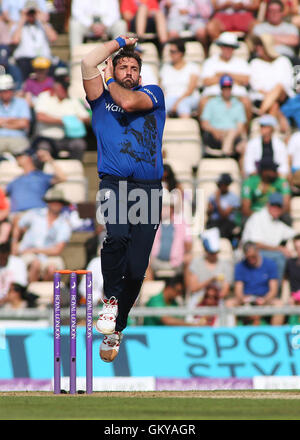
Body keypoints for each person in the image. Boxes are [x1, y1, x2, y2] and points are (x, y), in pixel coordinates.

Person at [81, 35, 166, 362]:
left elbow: (130, 103)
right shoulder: (100, 97)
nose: (128, 71)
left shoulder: (152, 93)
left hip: (148, 188)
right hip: (115, 183)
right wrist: (116, 42)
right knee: (116, 237)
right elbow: (88, 63)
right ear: (113, 66)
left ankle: (118, 326)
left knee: (136, 269)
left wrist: (111, 78)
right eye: (123, 66)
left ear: (140, 75)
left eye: (133, 68)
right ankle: (110, 301)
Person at [12, 188, 72, 282]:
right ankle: (31, 292)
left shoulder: (64, 224)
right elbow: (17, 222)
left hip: (48, 256)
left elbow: (57, 250)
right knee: (35, 264)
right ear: (48, 203)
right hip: (28, 253)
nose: (56, 204)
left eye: (59, 202)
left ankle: (44, 293)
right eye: (53, 201)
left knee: (52, 269)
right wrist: (14, 243)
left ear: (62, 204)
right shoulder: (35, 214)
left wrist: (34, 250)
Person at [226, 241, 284, 325]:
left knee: (279, 304)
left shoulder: (270, 264)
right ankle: (232, 334)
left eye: (253, 256)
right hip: (246, 299)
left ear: (257, 251)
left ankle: (276, 334)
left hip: (265, 299)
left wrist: (264, 300)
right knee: (229, 304)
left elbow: (273, 290)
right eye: (248, 257)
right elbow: (238, 291)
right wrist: (244, 300)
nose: (251, 259)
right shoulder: (240, 266)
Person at [241, 192, 296, 280]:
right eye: (274, 205)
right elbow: (256, 244)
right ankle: (277, 291)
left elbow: (294, 234)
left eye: (279, 206)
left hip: (268, 253)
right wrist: (280, 249)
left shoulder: (277, 223)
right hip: (251, 253)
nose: (276, 208)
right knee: (280, 258)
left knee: (291, 258)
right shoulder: (257, 217)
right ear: (268, 205)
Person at [33, 77, 90, 160]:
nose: (64, 90)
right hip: (46, 138)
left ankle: (75, 168)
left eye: (66, 88)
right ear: (56, 87)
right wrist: (63, 121)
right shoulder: (44, 96)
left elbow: (87, 118)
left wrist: (74, 120)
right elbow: (40, 116)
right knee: (43, 148)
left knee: (79, 145)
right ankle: (42, 172)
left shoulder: (73, 100)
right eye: (62, 88)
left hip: (68, 138)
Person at [199, 32, 251, 120]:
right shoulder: (210, 62)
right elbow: (206, 81)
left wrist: (223, 75)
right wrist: (234, 78)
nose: (228, 49)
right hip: (214, 93)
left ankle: (245, 131)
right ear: (221, 47)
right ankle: (204, 130)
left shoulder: (241, 62)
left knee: (247, 102)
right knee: (203, 102)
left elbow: (246, 80)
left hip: (236, 94)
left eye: (231, 47)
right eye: (225, 46)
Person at [147, 188, 192, 279]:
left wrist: (185, 254)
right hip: (155, 261)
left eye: (166, 207)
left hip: (176, 262)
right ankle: (149, 292)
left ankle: (187, 292)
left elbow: (188, 243)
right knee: (143, 263)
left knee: (189, 261)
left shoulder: (182, 223)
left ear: (172, 208)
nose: (164, 209)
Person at [5, 148, 66, 214]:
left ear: (29, 158)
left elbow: (62, 178)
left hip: (36, 212)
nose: (17, 158)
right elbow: (3, 193)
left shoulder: (41, 176)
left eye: (20, 156)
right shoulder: (16, 180)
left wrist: (50, 160)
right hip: (16, 214)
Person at [185, 228, 233, 309]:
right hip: (199, 300)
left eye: (216, 252)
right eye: (211, 253)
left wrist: (212, 297)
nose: (214, 255)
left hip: (217, 300)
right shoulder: (196, 263)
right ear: (205, 251)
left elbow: (225, 291)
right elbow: (193, 288)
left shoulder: (225, 265)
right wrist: (210, 280)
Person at [200, 74, 247, 157]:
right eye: (224, 87)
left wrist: (231, 134)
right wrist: (214, 131)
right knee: (233, 136)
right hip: (214, 135)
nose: (227, 89)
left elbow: (240, 126)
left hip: (233, 136)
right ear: (221, 88)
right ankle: (227, 154)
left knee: (240, 142)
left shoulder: (238, 104)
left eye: (229, 87)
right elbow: (204, 123)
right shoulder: (212, 102)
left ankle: (226, 153)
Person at [248, 34, 294, 116]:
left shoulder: (283, 60)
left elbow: (288, 83)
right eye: (257, 45)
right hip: (261, 97)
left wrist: (273, 94)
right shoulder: (255, 63)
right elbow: (255, 86)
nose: (257, 47)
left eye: (260, 45)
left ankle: (260, 114)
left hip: (283, 96)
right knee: (274, 106)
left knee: (279, 87)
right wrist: (270, 96)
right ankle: (267, 121)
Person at [11, 0, 58, 80]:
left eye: (33, 12)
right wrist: (22, 20)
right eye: (29, 12)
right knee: (23, 66)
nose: (31, 15)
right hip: (25, 60)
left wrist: (43, 21)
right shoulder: (19, 26)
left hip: (43, 58)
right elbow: (15, 40)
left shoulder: (43, 25)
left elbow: (53, 38)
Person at [159, 39, 201, 118]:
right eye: (170, 52)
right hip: (170, 97)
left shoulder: (192, 67)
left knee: (183, 106)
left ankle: (186, 128)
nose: (171, 54)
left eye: (173, 52)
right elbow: (161, 87)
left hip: (188, 97)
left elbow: (190, 90)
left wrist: (177, 103)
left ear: (181, 53)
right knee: (162, 107)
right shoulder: (165, 68)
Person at [0, 74, 31, 155]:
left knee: (26, 156)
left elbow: (24, 123)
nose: (6, 93)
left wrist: (3, 123)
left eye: (9, 90)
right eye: (3, 90)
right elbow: (21, 123)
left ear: (13, 90)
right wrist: (14, 120)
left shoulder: (22, 103)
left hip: (18, 138)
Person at [206, 172, 240, 241]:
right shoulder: (212, 196)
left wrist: (217, 201)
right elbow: (208, 214)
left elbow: (224, 215)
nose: (219, 187)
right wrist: (210, 209)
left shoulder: (233, 198)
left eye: (221, 184)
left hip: (227, 224)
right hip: (214, 222)